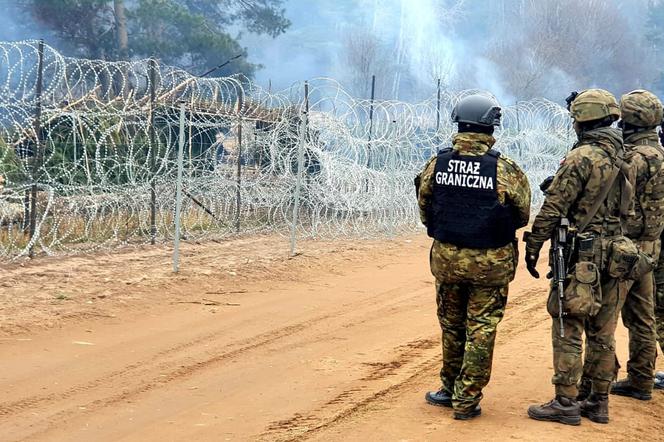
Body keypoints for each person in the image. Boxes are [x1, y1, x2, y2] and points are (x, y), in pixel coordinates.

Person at [417, 94, 531, 420]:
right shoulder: (505, 169)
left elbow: (426, 209)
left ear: (458, 122)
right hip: (491, 262)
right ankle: (466, 400)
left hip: (448, 259)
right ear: (491, 125)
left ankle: (447, 387)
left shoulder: (437, 164)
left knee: (451, 326)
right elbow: (521, 214)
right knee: (481, 328)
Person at [524, 89, 634, 425]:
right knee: (603, 330)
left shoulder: (581, 157)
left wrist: (533, 244)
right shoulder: (625, 156)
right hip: (617, 252)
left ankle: (565, 402)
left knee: (567, 322)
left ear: (582, 119)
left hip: (581, 253)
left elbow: (554, 207)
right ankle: (598, 402)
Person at [607, 90, 664, 401]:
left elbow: (611, 197)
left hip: (625, 248)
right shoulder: (659, 153)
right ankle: (642, 380)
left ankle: (599, 380)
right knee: (643, 317)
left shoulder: (632, 159)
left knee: (603, 316)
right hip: (651, 246)